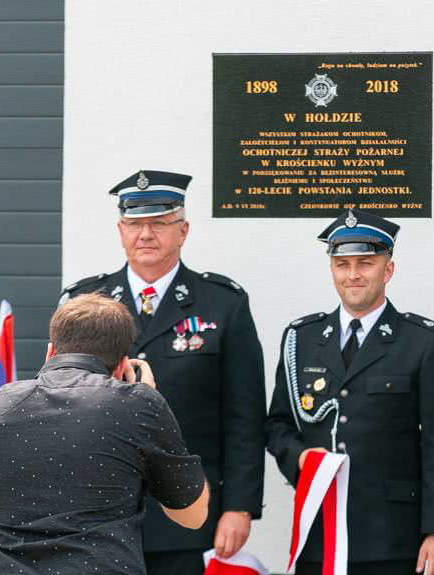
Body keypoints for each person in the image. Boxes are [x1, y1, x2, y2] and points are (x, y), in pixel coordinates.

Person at [59, 170, 265, 574]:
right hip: (98, 515)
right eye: (135, 223)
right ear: (120, 231)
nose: (146, 234)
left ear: (183, 230)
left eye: (159, 223)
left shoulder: (224, 305)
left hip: (188, 514)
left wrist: (240, 506)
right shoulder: (84, 303)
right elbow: (60, 405)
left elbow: (244, 418)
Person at [266, 209, 434, 575]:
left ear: (387, 270)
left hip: (392, 539)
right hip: (319, 534)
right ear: (332, 270)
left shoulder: (422, 342)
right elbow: (277, 424)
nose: (353, 274)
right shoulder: (301, 339)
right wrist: (301, 459)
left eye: (365, 264)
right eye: (342, 264)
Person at [0, 293, 210, 574]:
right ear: (122, 365)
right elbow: (192, 514)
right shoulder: (138, 405)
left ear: (50, 352)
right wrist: (154, 408)